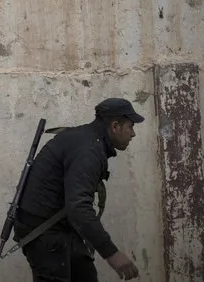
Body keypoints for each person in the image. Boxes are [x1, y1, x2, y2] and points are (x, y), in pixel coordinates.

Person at [13, 98, 144, 282]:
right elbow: (79, 207)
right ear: (115, 126)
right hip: (45, 235)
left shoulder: (87, 140)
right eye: (130, 127)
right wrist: (112, 253)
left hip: (56, 229)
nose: (133, 134)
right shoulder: (88, 150)